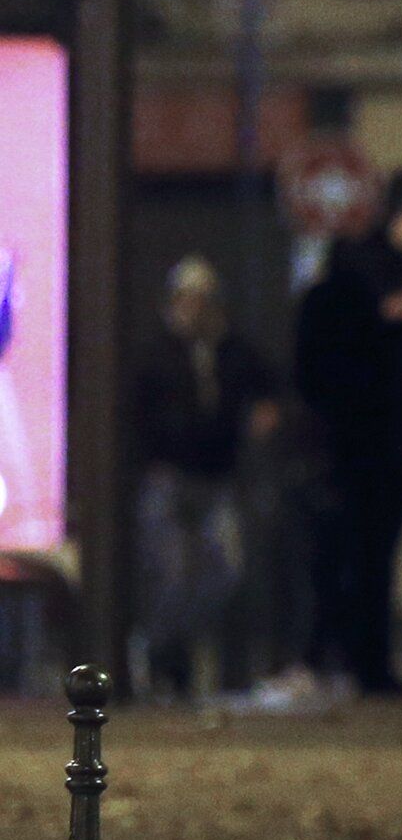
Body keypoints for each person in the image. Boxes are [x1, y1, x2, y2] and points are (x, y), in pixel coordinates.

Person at [295, 166, 402, 696]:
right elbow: (343, 335)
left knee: (380, 549)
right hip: (360, 433)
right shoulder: (361, 264)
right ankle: (349, 656)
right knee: (355, 550)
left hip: (399, 432)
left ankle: (365, 658)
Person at [131, 257, 281, 697]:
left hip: (218, 479)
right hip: (170, 478)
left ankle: (176, 646)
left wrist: (265, 412)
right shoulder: (156, 355)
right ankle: (161, 652)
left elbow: (270, 385)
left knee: (225, 569)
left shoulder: (231, 352)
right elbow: (135, 414)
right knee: (172, 571)